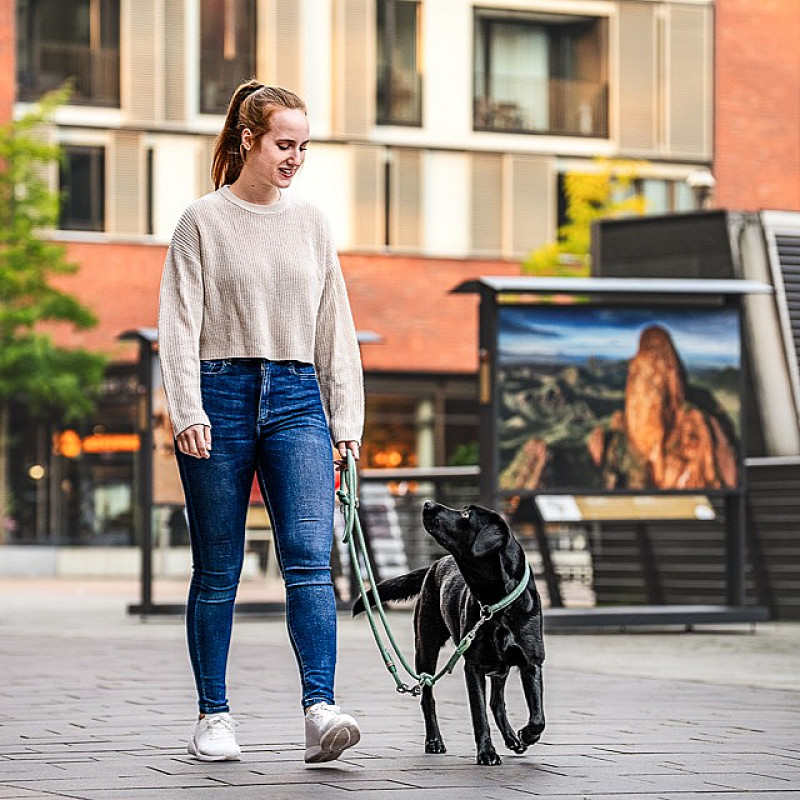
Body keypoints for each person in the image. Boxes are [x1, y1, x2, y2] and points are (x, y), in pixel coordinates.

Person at [157, 80, 364, 764]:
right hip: (218, 395)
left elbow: (335, 325)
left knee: (309, 562)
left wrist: (347, 420)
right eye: (283, 143)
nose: (294, 157)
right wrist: (185, 408)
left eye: (303, 146)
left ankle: (319, 709)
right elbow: (179, 326)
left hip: (298, 396)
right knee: (217, 570)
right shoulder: (201, 222)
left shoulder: (311, 222)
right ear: (249, 139)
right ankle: (212, 717)